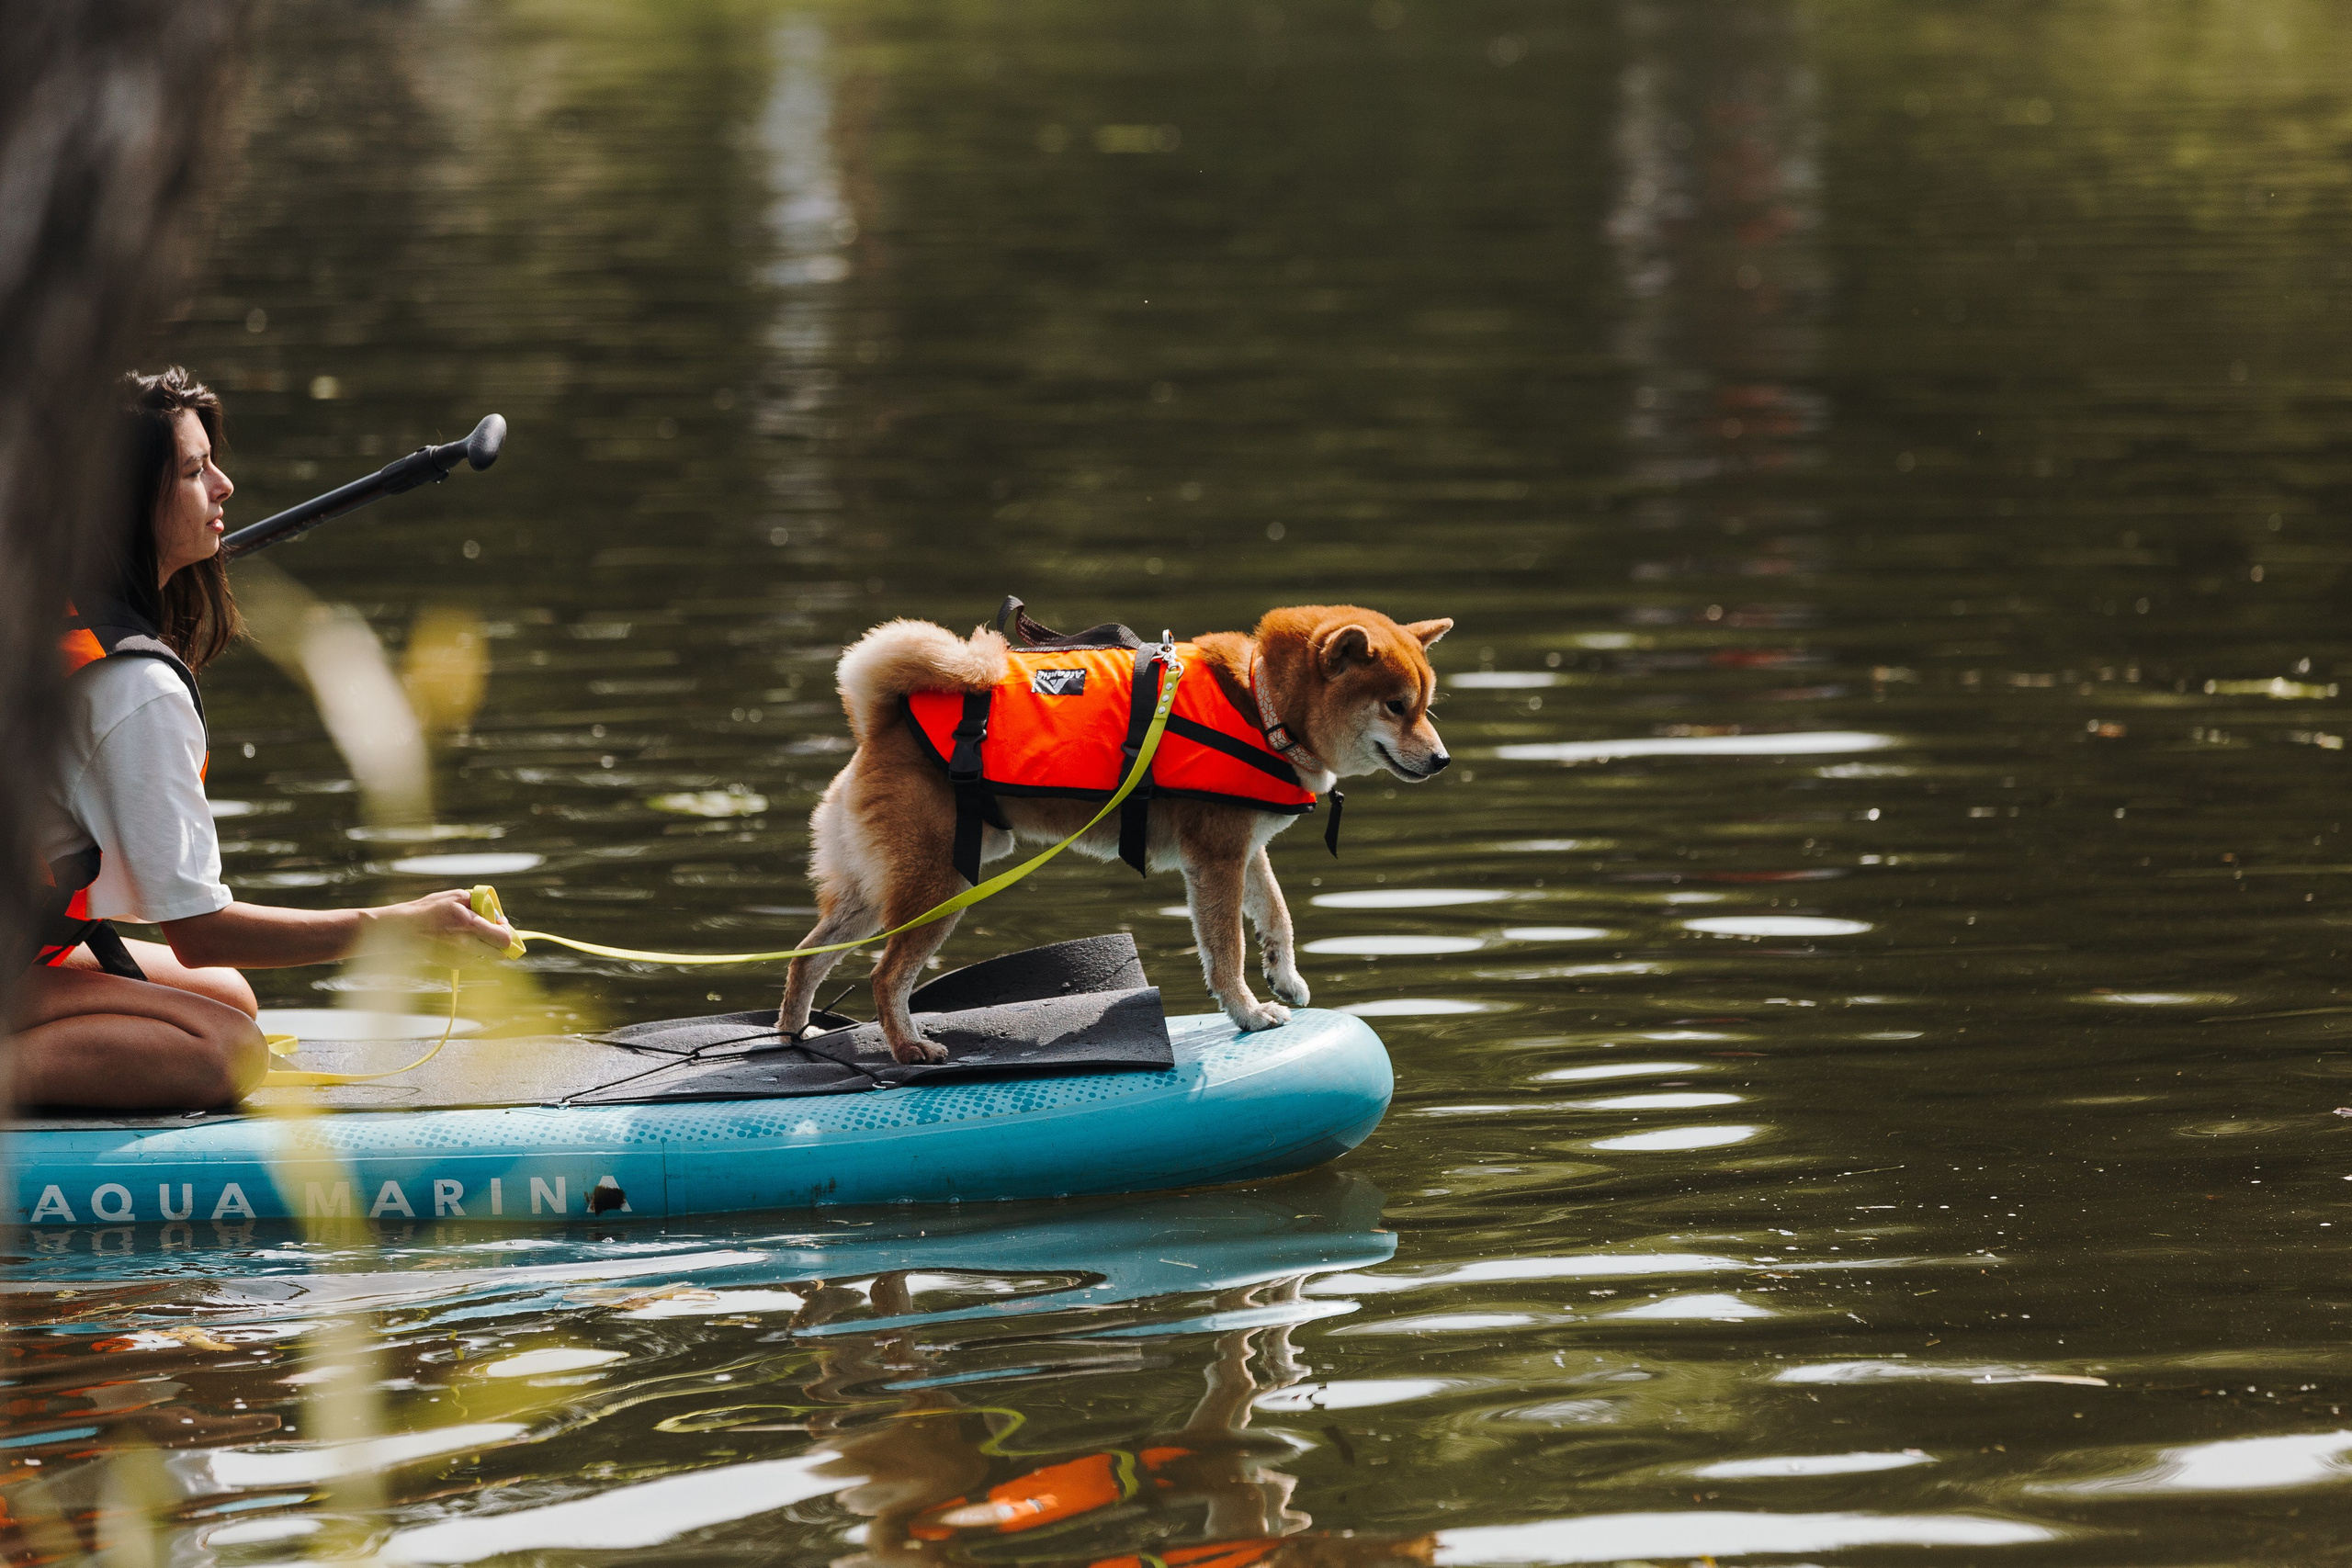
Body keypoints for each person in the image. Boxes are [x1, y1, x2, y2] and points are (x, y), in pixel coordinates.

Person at [10, 367, 514, 1111]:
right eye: (193, 470)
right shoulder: (132, 688)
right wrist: (399, 925)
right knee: (227, 1050)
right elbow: (199, 932)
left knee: (229, 999)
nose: (224, 486)